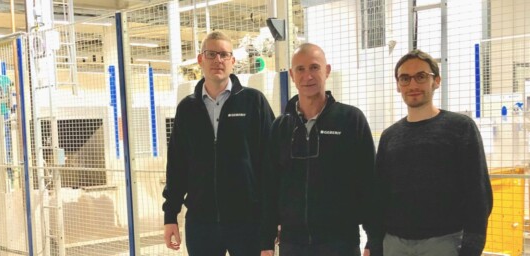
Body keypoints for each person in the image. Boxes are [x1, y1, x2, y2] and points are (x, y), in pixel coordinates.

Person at [260, 43, 380, 256]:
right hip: (292, 244)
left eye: (314, 67)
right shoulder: (280, 127)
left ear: (327, 70)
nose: (308, 76)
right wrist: (266, 239)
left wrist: (374, 238)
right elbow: (269, 186)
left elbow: (369, 181)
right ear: (292, 75)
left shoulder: (351, 120)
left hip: (340, 242)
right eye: (300, 69)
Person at [162, 31, 275, 256]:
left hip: (247, 222)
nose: (218, 60)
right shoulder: (187, 108)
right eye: (211, 54)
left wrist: (271, 222)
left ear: (233, 61)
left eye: (224, 55)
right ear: (200, 59)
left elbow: (270, 164)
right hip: (201, 223)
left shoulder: (254, 102)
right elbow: (177, 165)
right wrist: (170, 214)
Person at [374, 49, 493, 256]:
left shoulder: (460, 128)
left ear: (436, 81)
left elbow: (478, 191)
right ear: (398, 85)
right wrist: (376, 242)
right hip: (394, 243)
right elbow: (379, 194)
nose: (412, 85)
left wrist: (473, 246)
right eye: (405, 78)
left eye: (421, 76)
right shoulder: (389, 136)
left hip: (444, 242)